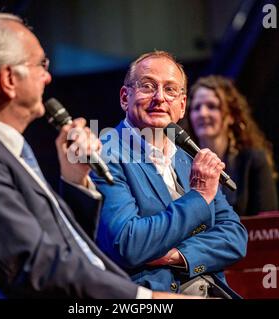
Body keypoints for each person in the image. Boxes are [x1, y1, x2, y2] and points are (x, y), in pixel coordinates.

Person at [0, 13, 191, 299]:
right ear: (8, 79)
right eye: (40, 64)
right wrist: (146, 299)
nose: (48, 75)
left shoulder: (6, 148)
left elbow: (64, 245)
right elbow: (35, 267)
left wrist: (75, 181)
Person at [91, 51, 248, 298]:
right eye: (148, 86)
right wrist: (198, 198)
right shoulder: (105, 154)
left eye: (171, 90)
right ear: (124, 97)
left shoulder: (189, 158)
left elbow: (234, 237)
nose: (160, 98)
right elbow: (129, 243)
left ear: (182, 105)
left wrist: (175, 255)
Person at [186, 75, 278, 216]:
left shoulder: (253, 160)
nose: (202, 113)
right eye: (196, 108)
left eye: (212, 106)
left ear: (230, 116)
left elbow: (267, 223)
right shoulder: (181, 160)